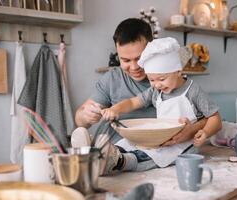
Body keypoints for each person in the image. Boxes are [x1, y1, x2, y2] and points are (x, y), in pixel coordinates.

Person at [74, 18, 207, 146]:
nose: (134, 67)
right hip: (110, 145)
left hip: (152, 148)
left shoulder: (171, 80)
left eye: (139, 59)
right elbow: (80, 120)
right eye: (125, 60)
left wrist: (191, 130)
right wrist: (86, 116)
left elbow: (209, 118)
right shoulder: (111, 79)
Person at [99, 37, 222, 171]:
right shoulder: (155, 91)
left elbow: (215, 118)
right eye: (151, 80)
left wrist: (204, 132)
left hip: (183, 146)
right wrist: (116, 109)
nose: (157, 84)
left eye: (162, 79)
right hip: (159, 139)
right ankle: (101, 154)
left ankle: (120, 161)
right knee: (129, 142)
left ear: (179, 71)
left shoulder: (193, 91)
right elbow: (133, 102)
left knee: (157, 155)